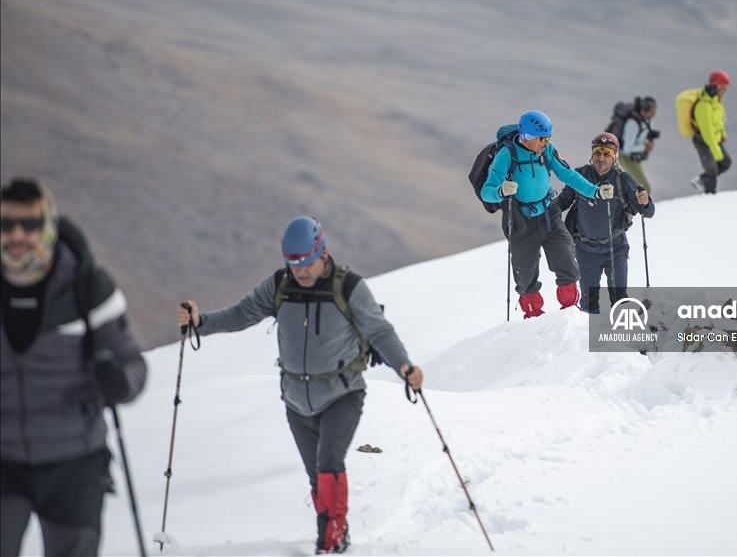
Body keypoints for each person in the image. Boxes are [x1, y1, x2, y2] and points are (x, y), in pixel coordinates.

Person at [177, 216, 422, 554]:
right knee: (316, 476)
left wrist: (404, 366)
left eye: (305, 263)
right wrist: (199, 323)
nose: (300, 271)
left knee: (328, 463)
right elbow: (242, 314)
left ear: (322, 252)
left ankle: (331, 542)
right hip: (296, 400)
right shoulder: (280, 285)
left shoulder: (349, 287)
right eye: (292, 264)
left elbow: (380, 331)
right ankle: (336, 528)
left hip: (343, 393)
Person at [1, 178, 147, 557]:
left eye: (29, 224)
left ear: (47, 224)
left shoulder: (87, 288)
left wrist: (118, 381)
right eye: (6, 224)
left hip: (74, 462)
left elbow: (132, 364)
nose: (17, 235)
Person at [480, 110, 614, 318]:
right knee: (525, 276)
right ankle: (534, 318)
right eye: (542, 138)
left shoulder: (547, 150)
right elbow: (486, 193)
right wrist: (500, 191)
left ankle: (570, 313)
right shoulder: (507, 155)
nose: (546, 142)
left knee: (567, 262)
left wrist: (595, 191)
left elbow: (567, 174)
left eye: (548, 137)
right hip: (520, 221)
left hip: (548, 215)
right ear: (528, 137)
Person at [554, 134, 655, 314]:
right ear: (592, 153)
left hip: (615, 249)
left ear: (614, 156)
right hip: (585, 250)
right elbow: (562, 202)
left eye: (606, 154)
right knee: (588, 303)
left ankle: (620, 337)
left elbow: (648, 212)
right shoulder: (579, 176)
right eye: (598, 153)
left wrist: (645, 201)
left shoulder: (623, 180)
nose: (601, 158)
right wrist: (541, 211)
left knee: (620, 300)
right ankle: (589, 339)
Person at [681, 71, 732, 194]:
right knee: (712, 168)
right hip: (702, 140)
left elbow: (718, 121)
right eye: (723, 88)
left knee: (725, 163)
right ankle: (709, 194)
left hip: (714, 139)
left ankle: (702, 181)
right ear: (717, 87)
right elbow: (707, 132)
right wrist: (717, 153)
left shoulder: (715, 102)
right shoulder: (703, 106)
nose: (725, 92)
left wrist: (722, 135)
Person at [616, 96, 659, 196]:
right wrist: (644, 147)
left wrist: (650, 142)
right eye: (651, 112)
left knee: (637, 186)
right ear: (643, 110)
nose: (654, 115)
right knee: (644, 188)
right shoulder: (632, 124)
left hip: (637, 158)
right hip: (627, 158)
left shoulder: (647, 121)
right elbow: (628, 147)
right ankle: (637, 209)